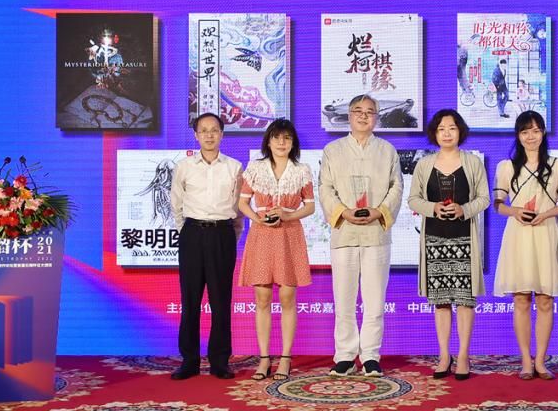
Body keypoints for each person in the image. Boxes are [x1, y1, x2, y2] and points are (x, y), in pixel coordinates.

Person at [319, 94, 404, 377]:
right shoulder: (333, 150)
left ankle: (370, 356)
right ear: (349, 115)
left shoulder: (387, 150)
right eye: (358, 111)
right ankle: (344, 356)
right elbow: (325, 188)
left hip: (376, 234)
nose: (363, 116)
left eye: (370, 112)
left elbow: (396, 187)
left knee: (375, 299)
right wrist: (342, 212)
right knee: (343, 299)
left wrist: (380, 211)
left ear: (377, 117)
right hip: (344, 232)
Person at [493, 110, 558, 380]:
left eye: (536, 130)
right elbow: (498, 204)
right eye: (525, 131)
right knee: (520, 299)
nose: (531, 136)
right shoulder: (506, 167)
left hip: (546, 232)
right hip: (518, 234)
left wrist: (547, 213)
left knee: (545, 300)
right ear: (518, 136)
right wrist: (515, 211)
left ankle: (540, 360)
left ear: (543, 133)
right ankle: (525, 361)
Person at [408, 109, 490, 381]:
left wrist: (464, 209)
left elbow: (484, 198)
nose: (446, 133)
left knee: (465, 301)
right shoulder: (424, 164)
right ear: (434, 133)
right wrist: (433, 208)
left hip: (465, 240)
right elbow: (413, 199)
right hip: (434, 240)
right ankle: (444, 355)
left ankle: (463, 355)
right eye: (441, 129)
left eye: (452, 128)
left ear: (460, 132)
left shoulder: (472, 162)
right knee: (441, 301)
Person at [237, 119, 314, 381]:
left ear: (293, 143)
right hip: (262, 235)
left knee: (288, 297)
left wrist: (288, 215)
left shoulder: (301, 170)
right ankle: (264, 358)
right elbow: (243, 203)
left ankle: (286, 358)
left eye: (287, 138)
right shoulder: (255, 168)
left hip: (289, 235)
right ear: (268, 141)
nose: (282, 143)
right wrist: (257, 218)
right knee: (262, 298)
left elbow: (310, 206)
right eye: (277, 137)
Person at [169, 112, 243, 380]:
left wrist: (228, 237)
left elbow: (239, 210)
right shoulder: (184, 167)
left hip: (222, 234)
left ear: (222, 134)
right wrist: (188, 232)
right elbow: (176, 204)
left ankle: (220, 361)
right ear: (196, 135)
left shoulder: (234, 167)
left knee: (221, 300)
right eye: (204, 130)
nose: (209, 135)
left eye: (214, 130)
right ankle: (189, 360)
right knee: (190, 300)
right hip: (192, 234)